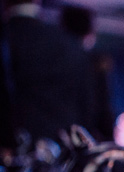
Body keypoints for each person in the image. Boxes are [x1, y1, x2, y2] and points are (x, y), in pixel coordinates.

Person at [5, 0, 95, 142]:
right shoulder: (70, 45)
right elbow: (87, 108)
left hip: (15, 149)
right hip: (65, 150)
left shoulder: (7, 36)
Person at [59, 5, 115, 140]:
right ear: (90, 31)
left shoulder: (52, 58)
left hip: (58, 137)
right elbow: (104, 109)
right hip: (86, 138)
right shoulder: (95, 62)